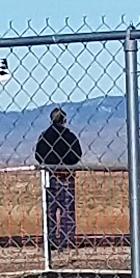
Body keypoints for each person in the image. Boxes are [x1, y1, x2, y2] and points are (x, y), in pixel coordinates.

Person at [35, 106, 82, 252]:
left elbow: (38, 155)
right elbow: (77, 155)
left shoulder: (44, 137)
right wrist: (66, 163)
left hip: (49, 176)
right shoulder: (70, 137)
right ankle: (66, 241)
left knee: (50, 210)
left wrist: (50, 163)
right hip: (66, 176)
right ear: (64, 120)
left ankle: (49, 240)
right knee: (67, 210)